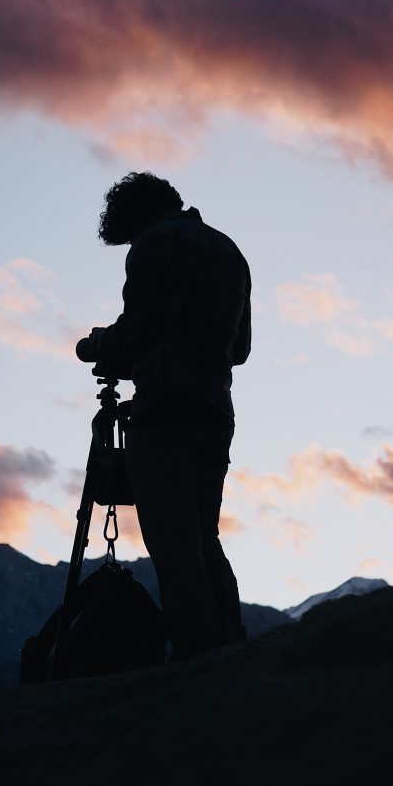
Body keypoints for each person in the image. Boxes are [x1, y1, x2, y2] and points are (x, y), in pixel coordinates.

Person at [76, 171, 251, 659]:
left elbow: (138, 328)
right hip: (215, 413)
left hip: (163, 411)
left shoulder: (154, 243)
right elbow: (239, 350)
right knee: (204, 536)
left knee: (174, 543)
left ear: (136, 216)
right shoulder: (228, 250)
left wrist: (95, 345)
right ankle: (229, 650)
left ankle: (196, 656)